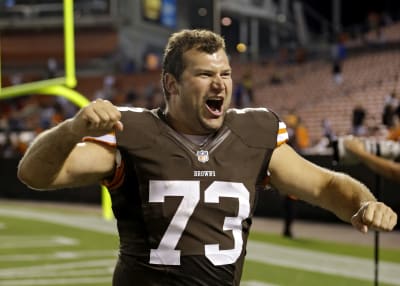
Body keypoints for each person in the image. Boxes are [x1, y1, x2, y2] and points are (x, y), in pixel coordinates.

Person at [18, 29, 397, 286]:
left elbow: (326, 184)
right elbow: (34, 174)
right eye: (205, 74)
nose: (220, 83)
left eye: (226, 73)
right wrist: (71, 130)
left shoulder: (253, 133)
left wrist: (363, 204)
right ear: (171, 84)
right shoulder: (131, 132)